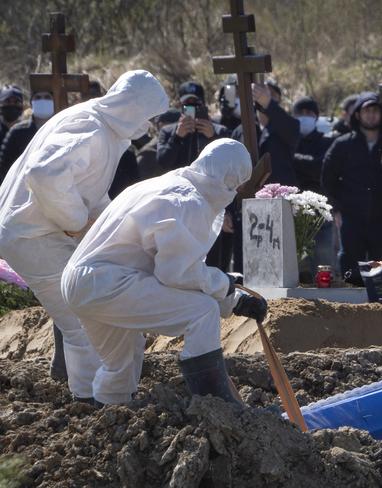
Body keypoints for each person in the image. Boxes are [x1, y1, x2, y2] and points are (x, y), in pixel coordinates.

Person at [0, 70, 169, 401]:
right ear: (131, 107)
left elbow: (87, 188)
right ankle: (90, 401)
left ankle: (102, 395)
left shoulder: (101, 128)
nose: (147, 126)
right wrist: (77, 221)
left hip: (38, 231)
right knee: (84, 317)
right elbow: (45, 174)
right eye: (146, 116)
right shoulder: (90, 129)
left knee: (92, 312)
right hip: (33, 235)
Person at [61, 139, 268, 406]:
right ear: (231, 179)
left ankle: (109, 425)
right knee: (202, 311)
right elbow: (176, 275)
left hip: (81, 283)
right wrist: (225, 285)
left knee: (122, 363)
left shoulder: (162, 186)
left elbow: (183, 273)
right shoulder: (188, 201)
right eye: (238, 184)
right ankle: (220, 408)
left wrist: (235, 300)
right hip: (109, 283)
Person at [322, 92, 382, 283]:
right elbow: (327, 178)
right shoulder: (343, 144)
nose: (371, 115)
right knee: (351, 267)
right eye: (366, 111)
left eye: (375, 110)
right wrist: (336, 208)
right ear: (357, 115)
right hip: (351, 217)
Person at [292, 96, 336, 277]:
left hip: (320, 211)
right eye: (300, 113)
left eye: (309, 113)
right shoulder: (289, 139)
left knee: (323, 261)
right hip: (292, 211)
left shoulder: (326, 142)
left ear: (316, 117)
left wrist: (294, 159)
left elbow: (321, 168)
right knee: (296, 265)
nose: (305, 116)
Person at [231, 80, 300, 186]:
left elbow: (292, 132)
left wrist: (268, 104)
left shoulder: (288, 124)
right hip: (248, 196)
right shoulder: (241, 130)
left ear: (279, 98)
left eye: (271, 94)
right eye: (257, 92)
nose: (263, 96)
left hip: (280, 194)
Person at [157, 81, 229, 171]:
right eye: (188, 105)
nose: (193, 108)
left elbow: (228, 163)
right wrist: (177, 138)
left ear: (203, 104)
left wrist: (213, 138)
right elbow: (163, 163)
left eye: (196, 104)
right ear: (180, 105)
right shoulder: (167, 131)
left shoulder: (220, 130)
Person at [0, 91, 55, 183]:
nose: (42, 101)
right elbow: (4, 166)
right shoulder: (17, 132)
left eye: (47, 97)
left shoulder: (64, 128)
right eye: (37, 98)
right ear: (31, 103)